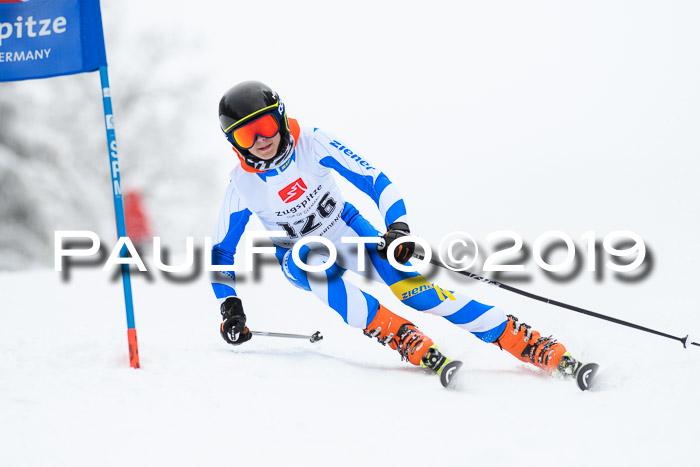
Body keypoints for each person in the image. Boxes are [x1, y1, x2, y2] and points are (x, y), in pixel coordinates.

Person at [210, 80, 582, 384]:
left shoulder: (313, 142)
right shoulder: (241, 186)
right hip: (300, 255)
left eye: (266, 126)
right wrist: (230, 305)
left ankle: (523, 340)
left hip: (351, 232)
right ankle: (398, 333)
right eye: (246, 134)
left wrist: (397, 227)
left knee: (418, 293)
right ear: (234, 142)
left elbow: (377, 181)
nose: (261, 139)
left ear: (280, 118)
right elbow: (221, 254)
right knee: (314, 265)